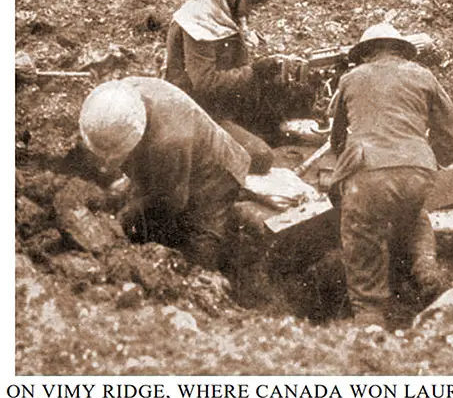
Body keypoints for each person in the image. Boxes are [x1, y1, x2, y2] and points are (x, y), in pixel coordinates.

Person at [329, 23, 453, 328]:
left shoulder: (351, 78)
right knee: (413, 213)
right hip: (418, 169)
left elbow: (336, 140)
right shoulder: (423, 76)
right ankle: (426, 271)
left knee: (362, 235)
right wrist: (425, 158)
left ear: (365, 53)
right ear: (402, 50)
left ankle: (369, 319)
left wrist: (349, 167)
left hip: (369, 170)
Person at [76, 77, 292, 271]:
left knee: (201, 244)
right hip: (178, 152)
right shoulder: (122, 96)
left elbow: (172, 201)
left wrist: (125, 216)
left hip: (216, 173)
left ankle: (209, 289)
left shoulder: (170, 140)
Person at [165, 0, 293, 167]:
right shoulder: (199, 20)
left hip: (224, 102)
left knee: (284, 113)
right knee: (261, 157)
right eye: (252, 3)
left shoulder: (224, 12)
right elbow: (205, 83)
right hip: (197, 110)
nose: (252, 11)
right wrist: (254, 72)